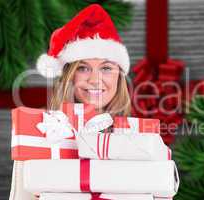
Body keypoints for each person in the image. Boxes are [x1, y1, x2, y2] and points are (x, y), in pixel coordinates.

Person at [9, 4, 131, 200]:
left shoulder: (138, 140)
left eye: (106, 68)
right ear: (69, 77)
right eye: (83, 68)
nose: (94, 79)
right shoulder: (41, 133)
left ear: (119, 76)